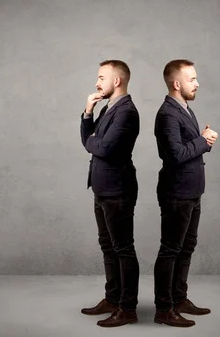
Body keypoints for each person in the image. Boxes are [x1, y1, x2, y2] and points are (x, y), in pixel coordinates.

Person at [152, 59, 218, 327]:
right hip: (176, 193)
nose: (197, 83)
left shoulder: (186, 109)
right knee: (171, 250)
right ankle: (164, 309)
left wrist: (203, 140)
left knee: (186, 248)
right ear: (177, 84)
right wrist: (203, 141)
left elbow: (188, 147)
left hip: (192, 191)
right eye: (192, 79)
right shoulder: (167, 113)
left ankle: (179, 298)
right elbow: (175, 155)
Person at [79, 60, 141, 327]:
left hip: (118, 190)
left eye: (101, 77)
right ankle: (113, 298)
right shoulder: (108, 108)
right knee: (108, 247)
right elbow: (89, 142)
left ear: (117, 81)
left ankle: (127, 308)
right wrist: (88, 112)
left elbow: (104, 149)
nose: (97, 82)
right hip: (102, 188)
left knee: (123, 249)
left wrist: (93, 142)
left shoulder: (126, 112)